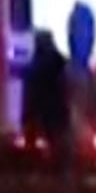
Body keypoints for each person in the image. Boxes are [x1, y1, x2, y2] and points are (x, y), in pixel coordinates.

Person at [22, 31, 72, 174]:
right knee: (57, 144)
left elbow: (31, 92)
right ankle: (58, 169)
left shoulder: (35, 64)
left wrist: (27, 114)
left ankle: (37, 168)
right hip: (56, 111)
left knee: (37, 144)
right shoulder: (60, 62)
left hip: (42, 110)